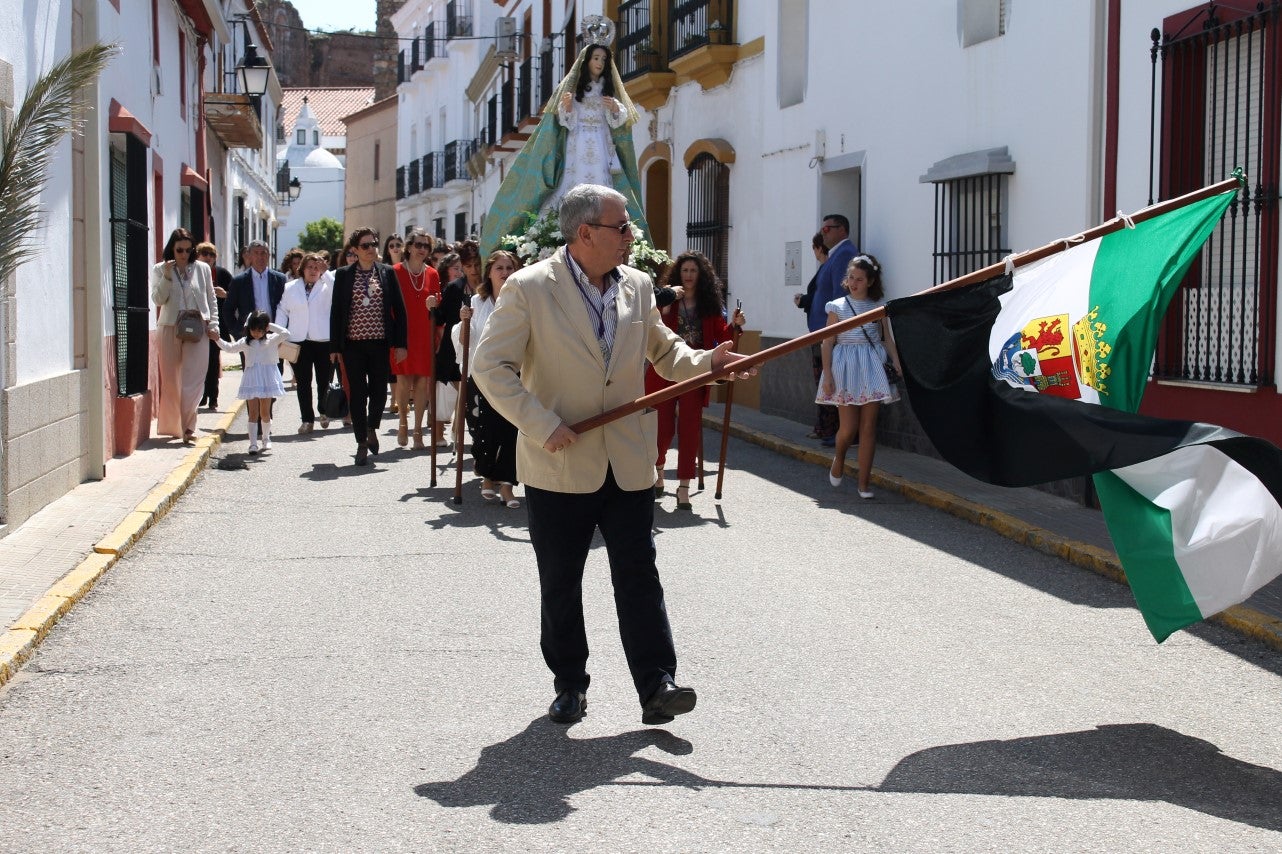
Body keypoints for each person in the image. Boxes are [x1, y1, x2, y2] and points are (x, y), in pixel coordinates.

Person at [472, 184, 754, 727]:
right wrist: (540, 424)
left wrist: (709, 362)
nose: (632, 237)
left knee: (638, 572)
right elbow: (490, 368)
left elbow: (667, 355)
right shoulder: (530, 288)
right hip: (559, 459)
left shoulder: (640, 287)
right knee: (561, 580)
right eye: (621, 227)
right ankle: (570, 684)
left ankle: (657, 684)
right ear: (585, 234)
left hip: (625, 458)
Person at [477, 30, 649, 254]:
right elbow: (564, 122)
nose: (599, 63)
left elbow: (619, 121)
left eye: (603, 59)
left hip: (599, 144)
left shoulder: (608, 91)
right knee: (571, 185)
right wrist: (566, 109)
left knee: (601, 186)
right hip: (576, 146)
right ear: (586, 61)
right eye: (596, 58)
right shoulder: (572, 91)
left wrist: (616, 109)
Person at [646, 251, 745, 509]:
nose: (689, 275)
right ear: (679, 274)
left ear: (701, 276)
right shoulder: (666, 298)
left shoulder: (708, 304)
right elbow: (655, 328)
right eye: (685, 271)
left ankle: (684, 487)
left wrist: (735, 325)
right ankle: (658, 472)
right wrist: (666, 303)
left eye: (693, 271)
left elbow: (724, 336)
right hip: (664, 368)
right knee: (662, 427)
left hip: (695, 369)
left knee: (690, 427)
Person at [817, 254, 901, 499]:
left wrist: (896, 362)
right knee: (849, 427)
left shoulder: (879, 307)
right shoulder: (837, 306)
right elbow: (826, 342)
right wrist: (828, 374)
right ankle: (840, 456)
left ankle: (864, 484)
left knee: (868, 427)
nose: (853, 282)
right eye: (851, 277)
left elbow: (887, 340)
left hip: (872, 367)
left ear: (871, 281)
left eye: (860, 279)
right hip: (846, 368)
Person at [329, 227, 408, 466]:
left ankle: (372, 426)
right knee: (358, 393)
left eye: (374, 244)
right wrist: (335, 346)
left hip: (379, 342)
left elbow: (400, 310)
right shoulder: (343, 275)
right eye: (365, 245)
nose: (371, 249)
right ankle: (361, 441)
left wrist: (400, 344)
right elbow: (336, 312)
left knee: (377, 391)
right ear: (354, 249)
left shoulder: (386, 273)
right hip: (352, 344)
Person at [454, 250, 523, 507]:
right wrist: (463, 322)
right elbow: (465, 341)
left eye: (509, 268)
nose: (505, 273)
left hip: (514, 373)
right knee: (484, 429)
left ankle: (506, 485)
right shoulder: (477, 302)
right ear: (490, 273)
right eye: (500, 268)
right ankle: (486, 475)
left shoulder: (522, 299)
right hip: (482, 374)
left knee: (511, 429)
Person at [150, 228, 220, 445]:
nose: (184, 254)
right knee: (171, 381)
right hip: (170, 326)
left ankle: (189, 427)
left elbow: (211, 298)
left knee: (195, 379)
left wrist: (214, 324)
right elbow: (158, 299)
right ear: (172, 248)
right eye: (180, 250)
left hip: (197, 326)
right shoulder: (160, 269)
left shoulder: (202, 269)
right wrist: (168, 277)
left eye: (189, 250)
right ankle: (174, 426)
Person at [390, 229, 442, 449]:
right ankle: (403, 422)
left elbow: (439, 301)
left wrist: (435, 304)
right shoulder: (395, 271)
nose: (422, 249)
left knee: (422, 382)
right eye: (419, 244)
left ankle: (418, 430)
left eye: (426, 246)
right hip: (403, 333)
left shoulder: (433, 273)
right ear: (409, 247)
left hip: (424, 332)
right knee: (403, 381)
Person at [808, 216, 857, 447]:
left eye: (828, 228)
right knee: (826, 381)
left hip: (831, 333)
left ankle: (839, 432)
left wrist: (833, 331)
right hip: (822, 332)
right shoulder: (836, 253)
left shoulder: (844, 253)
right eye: (822, 228)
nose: (824, 232)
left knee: (832, 382)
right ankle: (831, 430)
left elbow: (841, 294)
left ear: (842, 230)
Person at [276, 252, 334, 434]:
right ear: (302, 268)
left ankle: (324, 411)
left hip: (323, 340)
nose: (313, 271)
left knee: (324, 380)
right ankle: (307, 419)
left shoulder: (327, 285)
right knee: (303, 382)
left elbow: (339, 293)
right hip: (299, 340)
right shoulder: (291, 287)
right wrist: (279, 334)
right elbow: (282, 310)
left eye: (317, 268)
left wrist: (326, 272)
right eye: (310, 267)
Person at [216, 311, 289, 454]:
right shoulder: (245, 342)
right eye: (253, 330)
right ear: (249, 329)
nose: (256, 333)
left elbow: (286, 333)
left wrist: (269, 326)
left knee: (265, 412)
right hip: (251, 379)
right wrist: (217, 339)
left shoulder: (272, 340)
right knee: (253, 413)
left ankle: (266, 438)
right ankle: (253, 443)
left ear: (265, 329)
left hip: (267, 379)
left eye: (260, 330)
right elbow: (229, 348)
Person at [432, 240, 482, 447]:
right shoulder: (454, 288)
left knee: (470, 397)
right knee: (451, 396)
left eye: (476, 265)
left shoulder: (489, 286)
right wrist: (432, 308)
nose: (473, 270)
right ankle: (446, 433)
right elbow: (440, 317)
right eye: (468, 266)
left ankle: (463, 434)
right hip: (453, 349)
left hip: (478, 348)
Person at [794, 231, 837, 442]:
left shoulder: (829, 267)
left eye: (813, 247)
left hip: (824, 335)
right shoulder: (825, 269)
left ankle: (827, 429)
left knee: (824, 381)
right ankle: (822, 428)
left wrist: (804, 299)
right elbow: (820, 298)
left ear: (819, 248)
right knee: (821, 382)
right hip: (818, 333)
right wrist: (804, 300)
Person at [195, 242, 232, 411]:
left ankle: (213, 397)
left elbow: (236, 297)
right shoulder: (194, 272)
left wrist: (225, 295)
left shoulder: (223, 274)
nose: (208, 258)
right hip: (197, 324)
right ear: (198, 256)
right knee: (201, 361)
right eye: (204, 254)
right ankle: (202, 396)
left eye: (211, 255)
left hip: (217, 324)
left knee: (213, 360)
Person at [227, 239, 286, 338]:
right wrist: (236, 332)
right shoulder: (239, 281)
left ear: (269, 255)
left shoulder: (280, 279)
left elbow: (287, 307)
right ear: (249, 256)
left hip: (274, 335)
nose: (260, 257)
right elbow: (228, 309)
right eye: (256, 253)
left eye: (263, 253)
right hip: (249, 335)